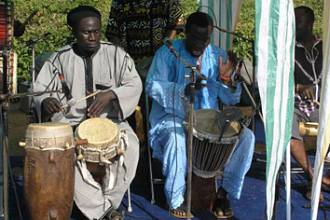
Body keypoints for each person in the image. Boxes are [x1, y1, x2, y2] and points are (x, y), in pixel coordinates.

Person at [33, 6, 142, 220]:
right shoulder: (58, 59)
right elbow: (39, 89)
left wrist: (111, 94)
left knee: (131, 147)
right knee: (64, 156)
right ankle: (102, 212)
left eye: (96, 31)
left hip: (111, 124)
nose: (93, 37)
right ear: (73, 32)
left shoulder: (117, 55)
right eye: (86, 32)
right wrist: (45, 100)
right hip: (71, 125)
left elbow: (135, 84)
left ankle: (108, 202)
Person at [146, 11, 255, 219]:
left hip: (209, 121)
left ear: (210, 36)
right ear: (185, 32)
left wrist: (227, 81)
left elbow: (231, 99)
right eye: (194, 37)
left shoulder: (217, 56)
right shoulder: (168, 52)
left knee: (247, 138)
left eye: (204, 39)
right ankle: (177, 199)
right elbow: (153, 85)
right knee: (177, 138)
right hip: (172, 119)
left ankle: (223, 193)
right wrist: (182, 91)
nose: (199, 44)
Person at [106, 0, 183, 146]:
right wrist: (124, 58)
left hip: (158, 60)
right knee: (130, 106)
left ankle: (153, 146)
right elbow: (112, 32)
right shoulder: (119, 2)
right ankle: (134, 144)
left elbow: (176, 23)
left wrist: (161, 52)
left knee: (155, 105)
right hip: (129, 61)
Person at [291, 6, 330, 200]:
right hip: (296, 106)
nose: (294, 26)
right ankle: (313, 177)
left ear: (310, 23)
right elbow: (278, 84)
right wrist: (298, 87)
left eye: (298, 22)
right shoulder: (288, 50)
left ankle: (325, 177)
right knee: (286, 130)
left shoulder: (325, 46)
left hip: (321, 106)